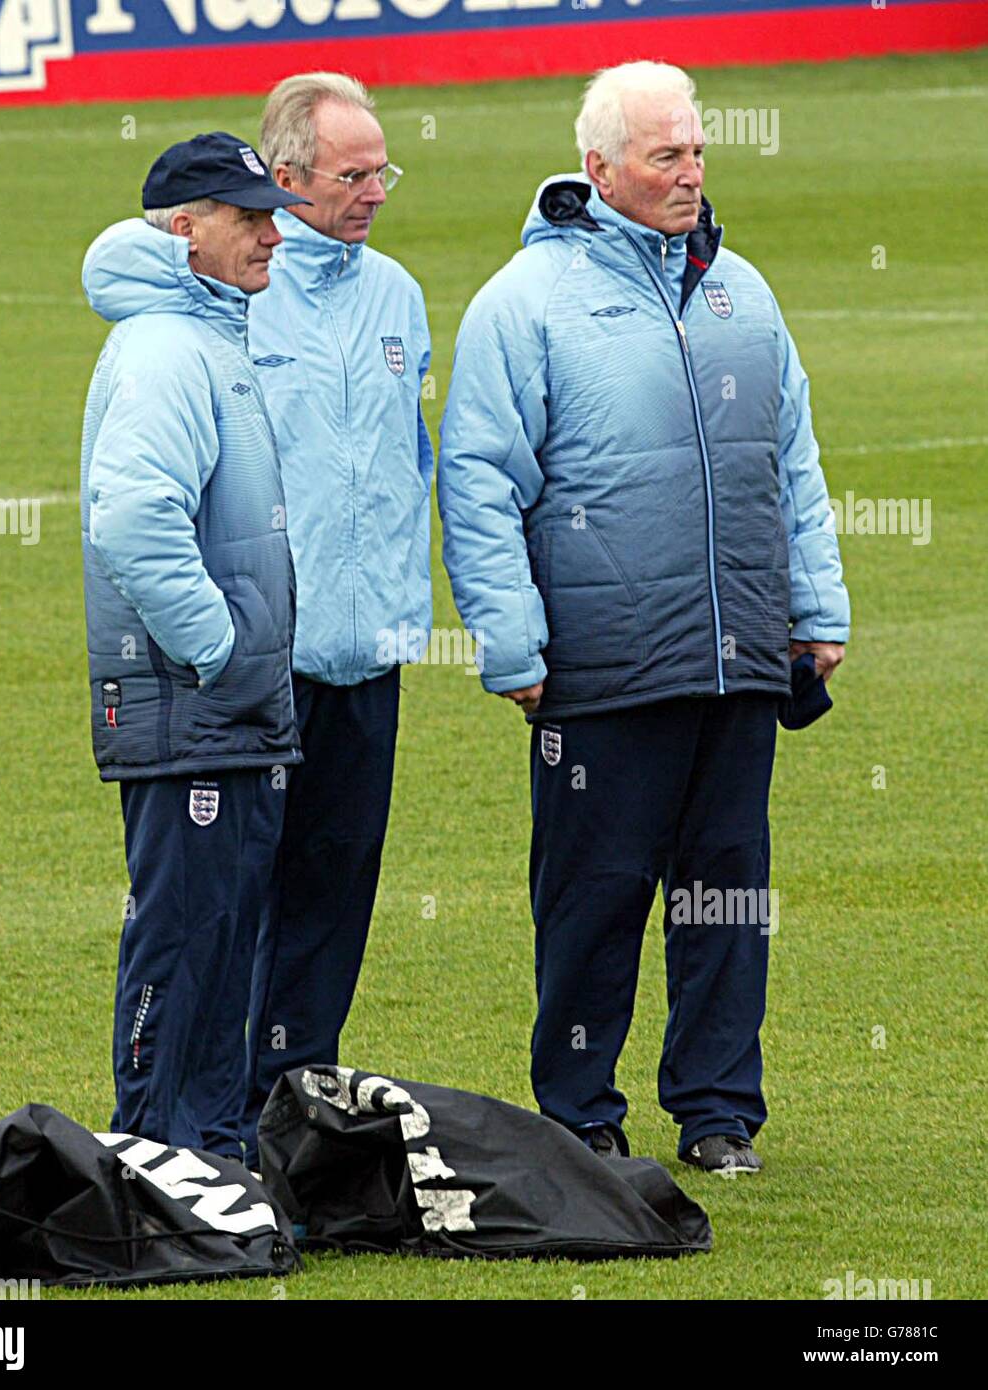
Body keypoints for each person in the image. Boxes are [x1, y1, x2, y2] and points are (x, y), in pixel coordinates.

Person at [438, 62, 850, 1176]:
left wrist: (813, 603)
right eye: (664, 156)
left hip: (739, 650)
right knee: (593, 894)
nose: (688, 173)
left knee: (725, 892)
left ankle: (717, 1110)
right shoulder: (523, 303)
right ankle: (577, 1111)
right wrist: (510, 638)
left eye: (697, 151)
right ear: (598, 167)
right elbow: (476, 480)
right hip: (601, 663)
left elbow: (791, 460)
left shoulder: (741, 291)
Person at [79, 132, 311, 1159]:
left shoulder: (206, 334)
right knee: (184, 941)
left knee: (223, 940)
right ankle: (162, 1161)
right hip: (191, 705)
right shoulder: (168, 348)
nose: (272, 232)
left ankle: (207, 1156)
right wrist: (219, 651)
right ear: (185, 231)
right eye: (248, 217)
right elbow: (131, 518)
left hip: (225, 710)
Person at [238, 73, 433, 1166]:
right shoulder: (239, 286)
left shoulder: (396, 294)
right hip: (261, 658)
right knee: (239, 896)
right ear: (286, 176)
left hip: (369, 654)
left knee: (334, 890)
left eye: (380, 172)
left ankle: (296, 1108)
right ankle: (211, 1114)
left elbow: (411, 462)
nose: (374, 192)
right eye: (353, 175)